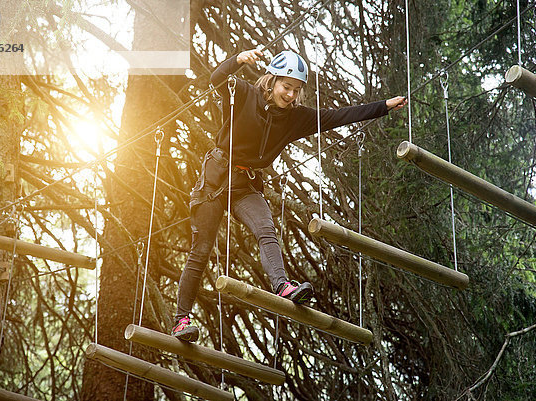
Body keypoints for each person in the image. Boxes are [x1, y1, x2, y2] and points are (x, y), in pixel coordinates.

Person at [172, 48, 407, 342]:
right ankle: (181, 320)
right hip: (215, 181)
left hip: (246, 186)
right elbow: (217, 78)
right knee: (201, 249)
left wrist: (382, 106)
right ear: (271, 81)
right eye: (286, 86)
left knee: (266, 229)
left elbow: (337, 117)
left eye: (296, 90)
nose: (291, 95)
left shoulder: (296, 118)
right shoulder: (243, 94)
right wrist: (238, 60)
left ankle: (282, 285)